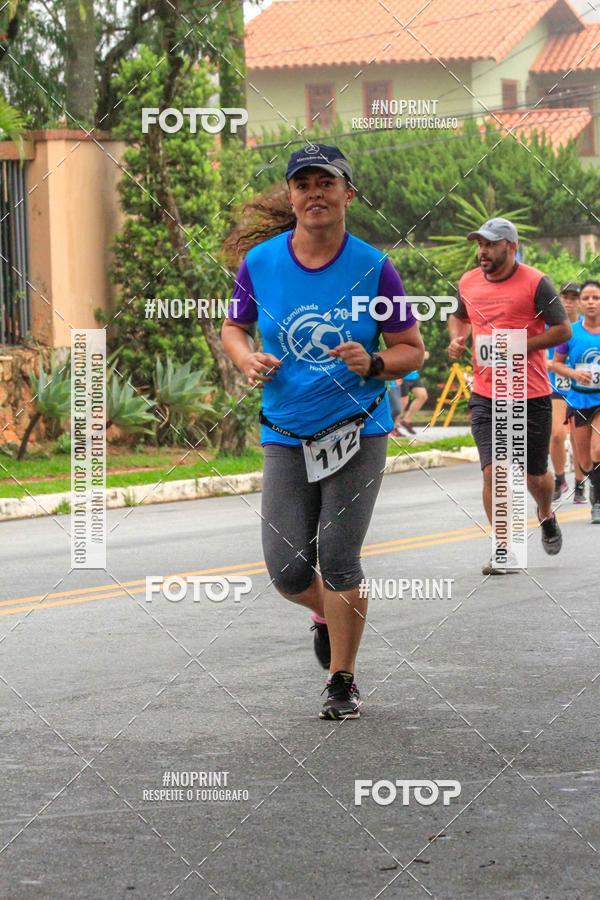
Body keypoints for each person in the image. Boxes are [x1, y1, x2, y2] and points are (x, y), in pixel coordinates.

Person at [221, 144, 424, 719]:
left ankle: (343, 678)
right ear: (291, 197)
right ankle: (325, 614)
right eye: (303, 183)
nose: (314, 193)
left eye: (326, 183)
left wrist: (376, 365)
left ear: (347, 195)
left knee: (338, 559)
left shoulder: (373, 267)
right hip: (286, 430)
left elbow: (412, 350)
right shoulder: (261, 264)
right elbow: (234, 328)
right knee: (287, 569)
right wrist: (245, 359)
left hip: (358, 428)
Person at [447, 217, 572, 574]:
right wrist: (457, 338)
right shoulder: (468, 281)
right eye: (480, 244)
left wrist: (519, 345)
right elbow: (460, 316)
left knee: (534, 476)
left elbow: (561, 329)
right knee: (494, 472)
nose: (482, 251)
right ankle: (504, 547)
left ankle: (546, 512)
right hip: (486, 393)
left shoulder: (536, 283)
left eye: (490, 244)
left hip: (530, 394)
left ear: (510, 248)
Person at [553, 279, 600, 524]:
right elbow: (555, 363)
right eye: (587, 298)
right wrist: (573, 373)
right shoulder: (571, 332)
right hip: (579, 399)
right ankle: (594, 487)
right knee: (584, 460)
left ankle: (599, 502)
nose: (591, 303)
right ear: (581, 304)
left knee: (598, 449)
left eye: (596, 298)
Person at [546, 282, 586, 502]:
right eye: (565, 297)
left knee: (579, 439)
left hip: (582, 389)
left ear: (579, 302)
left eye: (574, 298)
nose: (569, 302)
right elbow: (537, 352)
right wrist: (548, 363)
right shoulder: (549, 326)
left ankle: (580, 485)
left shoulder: (584, 327)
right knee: (557, 435)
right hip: (556, 387)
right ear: (559, 299)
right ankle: (560, 478)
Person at [395, 352, 430, 434]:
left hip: (414, 375)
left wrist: (423, 354)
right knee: (403, 402)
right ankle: (394, 427)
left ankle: (406, 420)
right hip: (402, 376)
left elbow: (424, 354)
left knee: (422, 396)